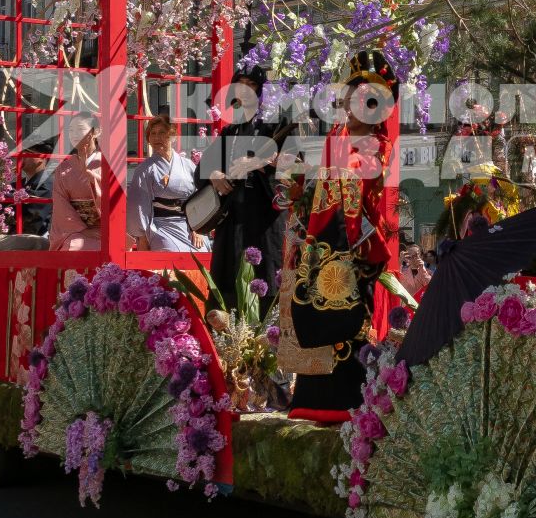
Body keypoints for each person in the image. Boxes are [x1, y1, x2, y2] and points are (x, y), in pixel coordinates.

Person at [280, 51, 404, 411]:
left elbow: (355, 179)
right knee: (315, 310)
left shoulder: (379, 146)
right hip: (323, 241)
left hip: (356, 245)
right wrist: (296, 176)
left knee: (347, 321)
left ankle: (352, 402)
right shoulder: (336, 138)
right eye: (349, 97)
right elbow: (319, 185)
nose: (352, 106)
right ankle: (311, 397)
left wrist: (322, 173)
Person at [208, 78, 290, 301]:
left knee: (266, 279)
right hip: (232, 217)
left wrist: (259, 163)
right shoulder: (231, 129)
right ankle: (229, 334)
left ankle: (264, 334)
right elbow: (205, 167)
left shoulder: (280, 123)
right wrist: (214, 175)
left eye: (250, 84)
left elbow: (295, 165)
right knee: (228, 279)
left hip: (264, 219)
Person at [129, 116, 202, 253]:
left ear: (173, 136)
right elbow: (138, 205)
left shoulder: (188, 165)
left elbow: (199, 198)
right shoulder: (144, 169)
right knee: (169, 250)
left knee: (202, 250)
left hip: (188, 225)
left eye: (162, 133)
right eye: (153, 134)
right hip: (160, 225)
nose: (157, 138)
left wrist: (197, 229)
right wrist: (143, 238)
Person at [44, 116, 104, 253]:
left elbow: (116, 199)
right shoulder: (64, 168)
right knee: (73, 247)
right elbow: (61, 205)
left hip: (105, 229)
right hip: (75, 231)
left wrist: (93, 179)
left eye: (81, 129)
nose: (75, 135)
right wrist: (82, 230)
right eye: (71, 130)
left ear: (96, 132)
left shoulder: (107, 164)